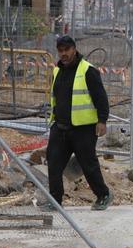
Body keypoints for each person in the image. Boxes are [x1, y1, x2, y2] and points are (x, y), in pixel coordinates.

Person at [47, 35, 111, 211]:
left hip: (83, 129)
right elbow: (55, 98)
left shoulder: (88, 71)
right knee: (53, 164)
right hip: (60, 127)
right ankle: (55, 200)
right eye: (60, 51)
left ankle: (103, 194)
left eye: (67, 50)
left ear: (74, 49)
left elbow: (101, 98)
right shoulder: (57, 71)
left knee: (88, 164)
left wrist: (102, 120)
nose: (64, 54)